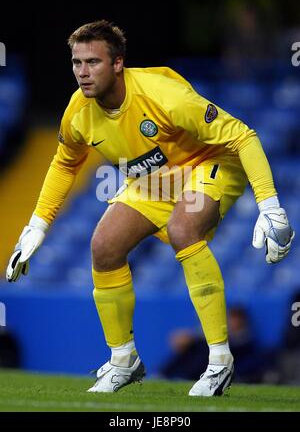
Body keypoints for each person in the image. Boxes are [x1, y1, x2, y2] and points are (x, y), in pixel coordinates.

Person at [6, 20, 294, 396]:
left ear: (118, 63)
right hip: (154, 180)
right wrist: (38, 225)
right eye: (76, 62)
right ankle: (123, 360)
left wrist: (270, 206)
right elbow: (64, 163)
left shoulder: (164, 96)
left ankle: (220, 361)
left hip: (208, 163)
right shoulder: (78, 111)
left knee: (183, 229)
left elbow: (243, 135)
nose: (82, 72)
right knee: (104, 246)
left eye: (93, 62)